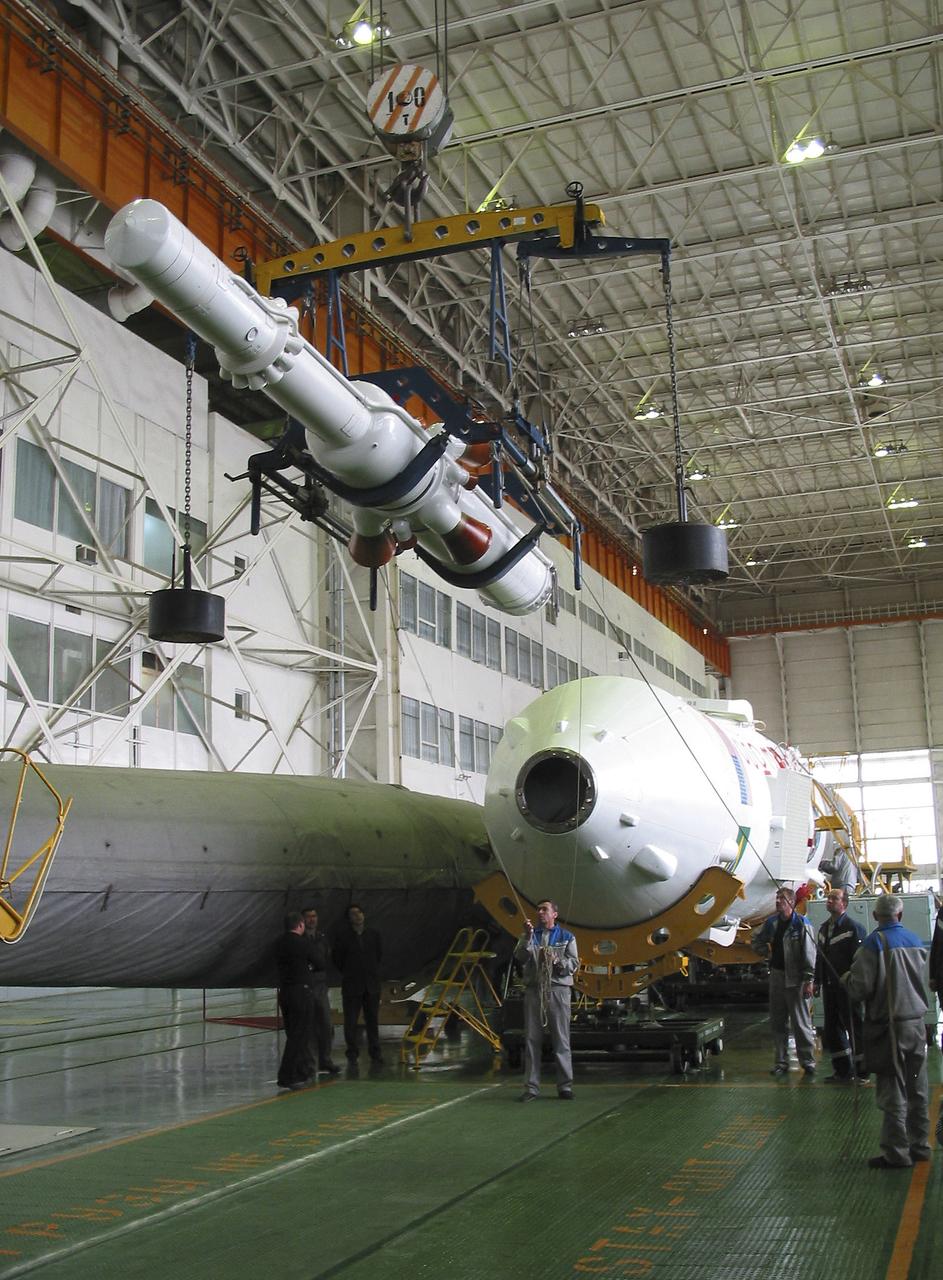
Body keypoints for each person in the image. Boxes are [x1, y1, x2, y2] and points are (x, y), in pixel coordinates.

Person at [843, 894, 931, 1169]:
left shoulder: (872, 945)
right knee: (916, 1086)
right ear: (900, 915)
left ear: (875, 917)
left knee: (893, 1090)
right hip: (916, 1024)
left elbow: (860, 989)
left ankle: (896, 1152)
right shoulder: (916, 941)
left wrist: (846, 978)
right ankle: (920, 1146)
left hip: (890, 1029)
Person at [514, 899, 579, 1101]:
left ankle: (565, 1086)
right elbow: (520, 957)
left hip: (558, 990)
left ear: (554, 914)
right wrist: (527, 936)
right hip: (534, 990)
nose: (540, 912)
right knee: (532, 1039)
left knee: (561, 1039)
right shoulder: (531, 935)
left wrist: (557, 961)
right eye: (538, 909)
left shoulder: (566, 937)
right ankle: (531, 1088)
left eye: (545, 909)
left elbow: (574, 964)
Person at [752, 886, 817, 1077]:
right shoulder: (772, 923)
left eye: (781, 898)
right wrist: (766, 953)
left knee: (801, 1022)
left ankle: (808, 1061)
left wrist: (808, 979)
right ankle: (781, 1062)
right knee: (778, 1022)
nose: (777, 901)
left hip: (797, 978)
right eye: (777, 898)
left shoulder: (802, 925)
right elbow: (756, 939)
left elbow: (810, 954)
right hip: (778, 976)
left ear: (790, 902)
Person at [814, 888, 867, 1082]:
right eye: (828, 898)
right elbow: (820, 958)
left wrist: (854, 983)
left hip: (847, 987)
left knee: (854, 1027)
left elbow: (860, 961)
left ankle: (862, 1072)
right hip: (829, 987)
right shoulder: (822, 929)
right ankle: (842, 1070)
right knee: (832, 1028)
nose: (829, 900)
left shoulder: (853, 929)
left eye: (834, 898)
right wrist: (817, 981)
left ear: (844, 903)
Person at [332, 903, 383, 1063]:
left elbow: (378, 955)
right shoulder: (343, 937)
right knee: (351, 1021)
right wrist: (350, 972)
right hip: (352, 986)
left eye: (359, 912)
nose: (358, 916)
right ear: (349, 918)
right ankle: (352, 1053)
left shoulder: (373, 935)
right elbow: (337, 959)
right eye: (353, 914)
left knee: (372, 1020)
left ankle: (375, 1052)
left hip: (371, 985)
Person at [274, 910, 318, 1090]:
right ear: (300, 925)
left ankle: (300, 1071)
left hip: (285, 992)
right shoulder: (303, 943)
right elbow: (319, 962)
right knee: (299, 1036)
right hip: (301, 992)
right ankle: (287, 1075)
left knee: (293, 1033)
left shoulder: (278, 943)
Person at [302, 906, 340, 1075]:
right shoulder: (300, 940)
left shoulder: (322, 938)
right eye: (308, 917)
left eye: (314, 916)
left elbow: (327, 958)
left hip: (321, 985)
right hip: (305, 986)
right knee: (308, 1026)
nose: (312, 919)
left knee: (326, 1024)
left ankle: (325, 1060)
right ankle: (310, 1064)